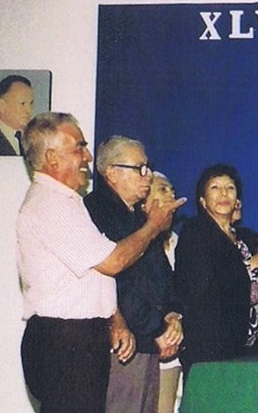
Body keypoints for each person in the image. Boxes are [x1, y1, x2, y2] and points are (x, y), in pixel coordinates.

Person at [16, 112, 182, 412]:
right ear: (52, 158)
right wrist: (153, 226)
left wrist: (115, 320)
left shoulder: (69, 203)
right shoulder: (51, 205)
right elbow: (114, 262)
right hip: (64, 341)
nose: (88, 157)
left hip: (80, 338)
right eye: (79, 147)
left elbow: (93, 274)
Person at [83, 136, 183, 412]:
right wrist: (158, 328)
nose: (147, 175)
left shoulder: (140, 219)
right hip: (124, 344)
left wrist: (172, 315)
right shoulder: (96, 212)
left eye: (147, 167)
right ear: (112, 173)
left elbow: (164, 275)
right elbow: (117, 283)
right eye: (139, 168)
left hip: (149, 341)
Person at [174, 164, 258, 376]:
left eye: (230, 188)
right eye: (215, 187)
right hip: (211, 345)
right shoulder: (196, 232)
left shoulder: (245, 239)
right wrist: (251, 264)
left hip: (248, 343)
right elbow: (202, 285)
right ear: (203, 201)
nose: (224, 193)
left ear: (237, 201)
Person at [144, 173, 184, 413]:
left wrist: (174, 317)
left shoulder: (178, 242)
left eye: (172, 190)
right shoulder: (133, 240)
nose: (171, 195)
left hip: (171, 347)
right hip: (141, 345)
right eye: (162, 189)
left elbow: (177, 291)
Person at [0, 74, 33, 156]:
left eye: (31, 103)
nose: (29, 110)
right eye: (23, 103)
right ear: (2, 105)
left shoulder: (31, 141)